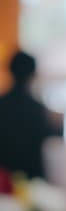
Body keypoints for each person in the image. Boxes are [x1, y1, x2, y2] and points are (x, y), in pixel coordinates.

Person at [0, 51, 61, 180]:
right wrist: (60, 122)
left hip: (4, 180)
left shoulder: (2, 104)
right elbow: (51, 134)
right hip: (32, 180)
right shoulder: (36, 108)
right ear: (32, 74)